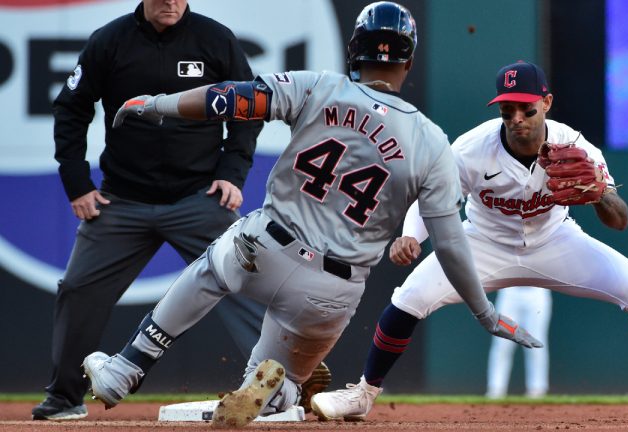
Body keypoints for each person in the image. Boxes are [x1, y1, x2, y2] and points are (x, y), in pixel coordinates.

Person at [80, 2, 542, 428]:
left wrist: (159, 104)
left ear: (354, 49)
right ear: (409, 61)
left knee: (211, 269)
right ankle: (278, 402)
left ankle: (126, 368)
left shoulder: (320, 86)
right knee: (278, 387)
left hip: (264, 248)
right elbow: (450, 244)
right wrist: (483, 312)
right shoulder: (432, 142)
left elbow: (229, 98)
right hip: (332, 292)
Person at [310, 61, 628, 423]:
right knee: (407, 301)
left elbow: (620, 221)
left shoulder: (575, 146)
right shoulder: (471, 149)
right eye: (508, 109)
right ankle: (362, 396)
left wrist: (600, 193)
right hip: (482, 244)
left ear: (546, 104)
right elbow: (432, 203)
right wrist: (409, 236)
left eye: (527, 109)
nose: (517, 118)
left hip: (555, 240)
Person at [32, 0, 268, 421]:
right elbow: (71, 106)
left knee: (251, 281)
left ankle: (282, 383)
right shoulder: (110, 41)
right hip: (123, 200)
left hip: (199, 199)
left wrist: (233, 172)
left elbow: (248, 109)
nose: (171, 3)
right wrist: (77, 183)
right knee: (78, 288)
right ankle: (65, 396)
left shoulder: (215, 39)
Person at [486, 287, 551, 399]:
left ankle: (537, 389)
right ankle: (496, 389)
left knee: (536, 344)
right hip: (510, 291)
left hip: (536, 292)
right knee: (502, 345)